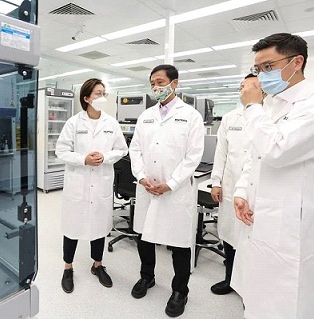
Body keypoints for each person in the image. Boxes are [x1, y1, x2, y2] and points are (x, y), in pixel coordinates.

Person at [233, 33, 314, 318]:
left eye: (268, 67)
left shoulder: (313, 104)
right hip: (259, 219)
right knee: (258, 299)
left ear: (297, 62)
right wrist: (242, 192)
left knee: (286, 303)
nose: (262, 76)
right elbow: (253, 156)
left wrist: (253, 106)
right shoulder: (271, 105)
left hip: (290, 231)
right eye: (259, 69)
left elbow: (276, 150)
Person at [129, 64, 204, 317]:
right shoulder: (146, 116)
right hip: (147, 188)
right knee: (144, 236)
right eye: (152, 83)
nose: (155, 87)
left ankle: (180, 289)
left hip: (176, 191)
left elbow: (193, 156)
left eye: (160, 82)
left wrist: (170, 183)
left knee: (179, 242)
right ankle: (147, 277)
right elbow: (135, 150)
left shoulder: (191, 116)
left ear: (175, 83)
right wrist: (141, 178)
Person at [55, 78, 128, 293]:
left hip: (101, 183)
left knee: (98, 227)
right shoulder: (74, 123)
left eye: (104, 93)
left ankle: (98, 265)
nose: (102, 97)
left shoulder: (111, 124)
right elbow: (61, 150)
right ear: (86, 98)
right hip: (78, 183)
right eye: (98, 93)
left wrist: (104, 156)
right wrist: (83, 159)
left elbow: (121, 150)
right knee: (72, 227)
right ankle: (68, 268)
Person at [208, 74, 257, 295]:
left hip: (255, 191)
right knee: (228, 235)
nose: (243, 90)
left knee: (251, 241)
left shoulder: (268, 117)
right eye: (241, 86)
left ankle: (250, 288)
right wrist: (216, 182)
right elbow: (221, 152)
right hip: (229, 186)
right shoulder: (230, 118)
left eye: (249, 86)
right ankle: (229, 279)